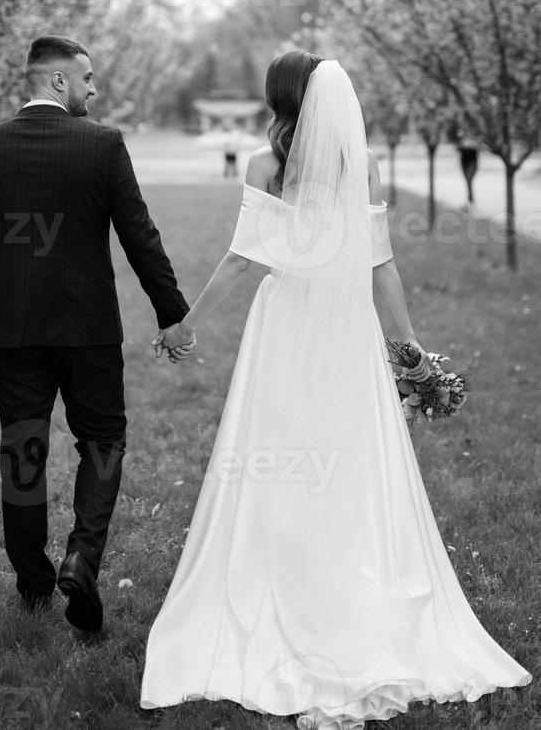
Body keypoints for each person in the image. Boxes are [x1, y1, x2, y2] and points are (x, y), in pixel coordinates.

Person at [144, 53, 531, 729]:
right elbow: (381, 264)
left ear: (279, 99)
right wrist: (408, 349)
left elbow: (242, 258)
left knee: (281, 450)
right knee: (347, 457)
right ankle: (348, 575)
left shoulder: (266, 166)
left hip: (286, 323)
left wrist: (185, 326)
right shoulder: (364, 165)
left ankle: (286, 573)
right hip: (348, 325)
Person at [0, 34, 193, 632]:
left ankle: (32, 584)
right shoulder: (103, 144)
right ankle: (82, 557)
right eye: (88, 77)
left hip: (12, 332)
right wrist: (173, 316)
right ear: (58, 81)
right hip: (89, 331)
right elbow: (140, 234)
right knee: (102, 442)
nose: (93, 88)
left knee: (24, 447)